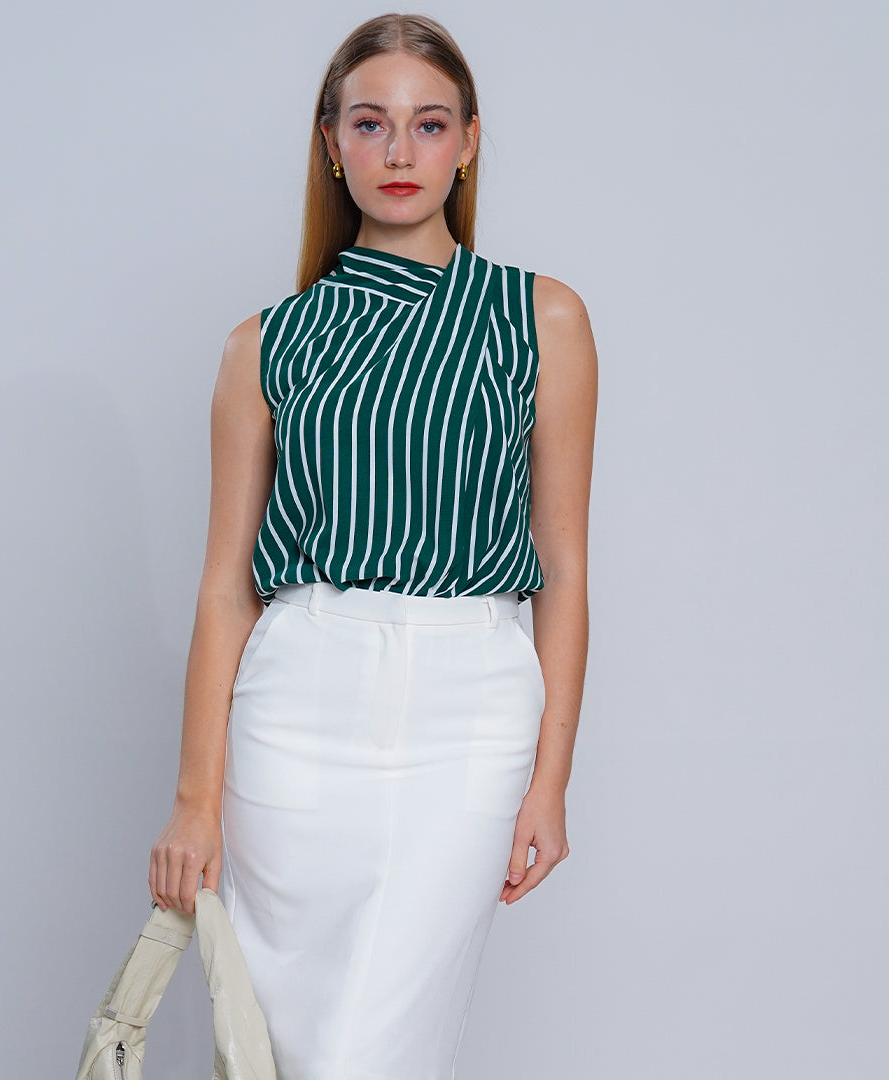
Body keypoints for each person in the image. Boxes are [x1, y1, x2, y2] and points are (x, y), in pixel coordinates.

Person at [149, 12, 598, 1078]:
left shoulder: (541, 319)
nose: (400, 151)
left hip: (469, 710)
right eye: (370, 123)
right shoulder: (265, 345)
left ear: (469, 142)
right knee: (276, 1051)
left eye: (429, 124)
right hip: (294, 709)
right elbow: (226, 589)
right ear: (331, 142)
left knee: (369, 1053)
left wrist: (552, 780)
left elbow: (567, 570)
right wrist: (195, 799)